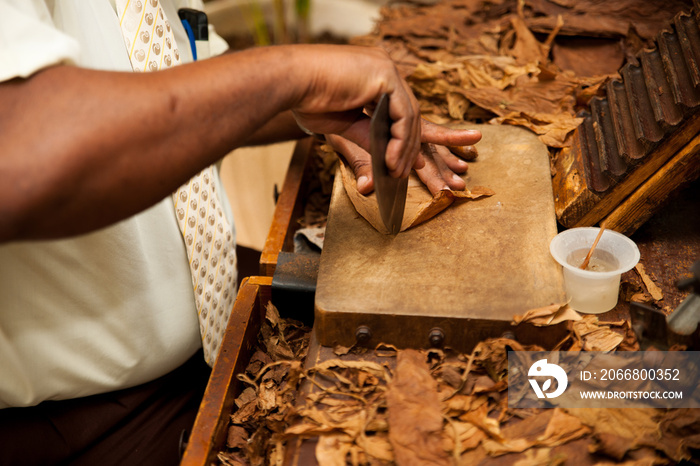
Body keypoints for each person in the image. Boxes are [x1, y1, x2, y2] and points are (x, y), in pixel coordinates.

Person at [0, 0, 482, 464]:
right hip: (84, 422)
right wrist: (296, 74)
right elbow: (19, 147)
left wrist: (318, 110)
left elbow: (188, 81)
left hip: (215, 315)